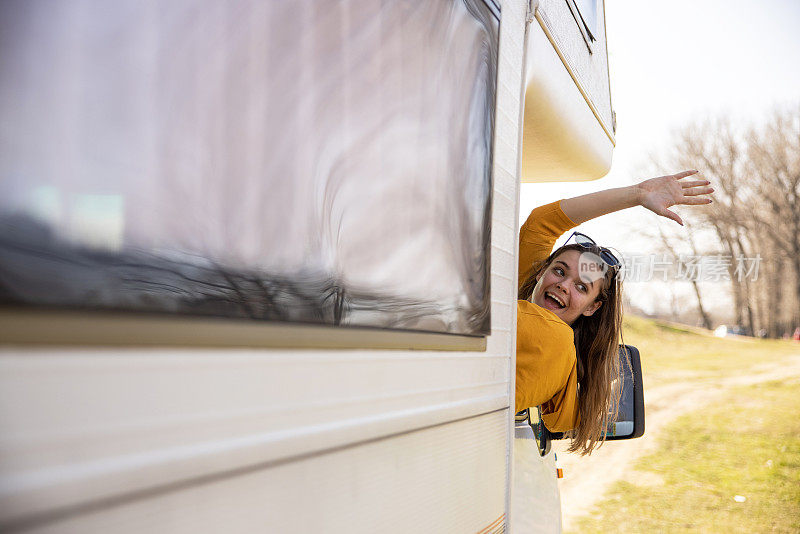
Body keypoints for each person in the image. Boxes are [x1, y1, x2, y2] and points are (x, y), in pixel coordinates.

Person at [516, 170, 713, 455]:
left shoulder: (555, 339)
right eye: (559, 271)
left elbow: (542, 224)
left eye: (581, 287)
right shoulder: (522, 300)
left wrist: (636, 194)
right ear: (539, 275)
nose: (562, 285)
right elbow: (542, 224)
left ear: (593, 307)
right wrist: (638, 194)